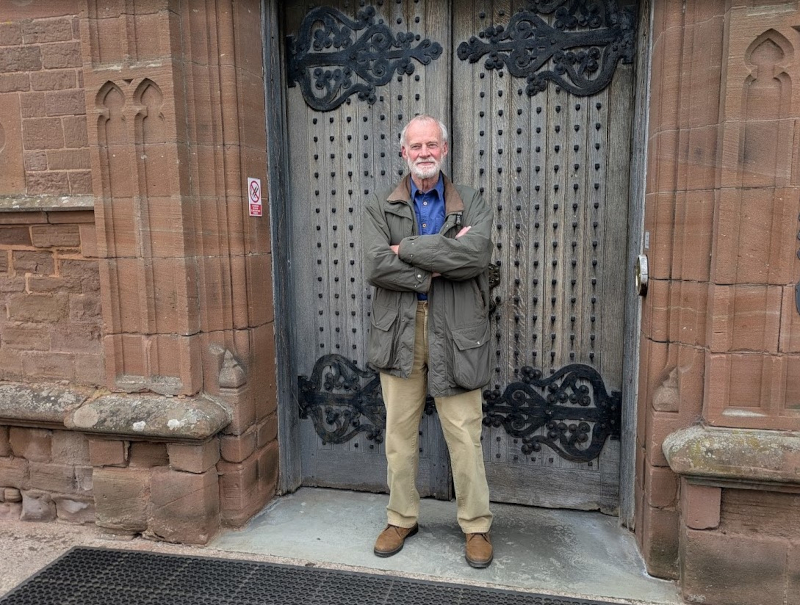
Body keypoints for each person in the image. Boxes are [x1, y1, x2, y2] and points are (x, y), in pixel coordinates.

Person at [363, 115, 494, 568]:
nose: (424, 153)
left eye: (431, 144)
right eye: (415, 145)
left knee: (464, 432)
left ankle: (476, 526)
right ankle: (401, 518)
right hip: (399, 331)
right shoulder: (380, 205)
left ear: (444, 149)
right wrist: (438, 264)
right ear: (404, 152)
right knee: (399, 433)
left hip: (456, 331)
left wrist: (406, 249)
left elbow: (476, 255)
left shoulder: (471, 202)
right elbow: (376, 265)